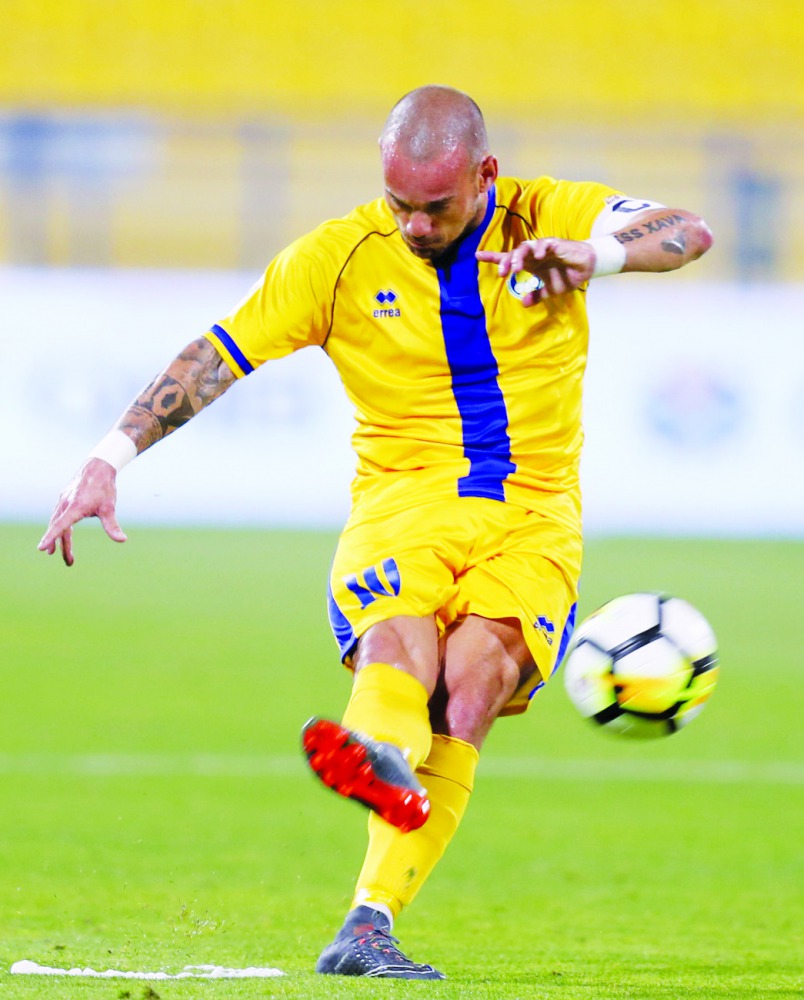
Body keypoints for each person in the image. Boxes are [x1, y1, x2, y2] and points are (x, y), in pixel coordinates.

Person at [39, 85, 713, 980]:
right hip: (403, 501)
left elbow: (686, 231)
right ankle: (382, 760)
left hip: (537, 514)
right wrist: (107, 457)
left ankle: (368, 922)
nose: (415, 224)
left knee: (475, 686)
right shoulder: (338, 255)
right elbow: (216, 355)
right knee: (402, 649)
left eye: (435, 206)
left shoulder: (551, 214)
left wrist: (593, 257)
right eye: (399, 202)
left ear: (486, 175)